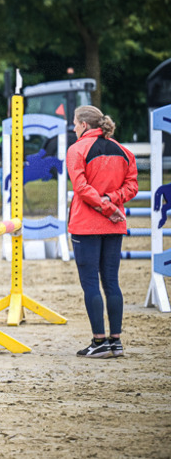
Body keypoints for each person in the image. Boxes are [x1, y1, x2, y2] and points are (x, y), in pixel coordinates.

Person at [67, 105, 138, 358]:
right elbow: (132, 187)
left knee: (91, 284)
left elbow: (82, 189)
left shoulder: (77, 150)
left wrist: (105, 206)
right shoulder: (124, 151)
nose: (73, 127)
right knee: (111, 282)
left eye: (75, 123)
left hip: (87, 224)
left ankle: (99, 342)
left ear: (84, 125)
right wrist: (112, 200)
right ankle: (115, 342)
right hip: (114, 224)